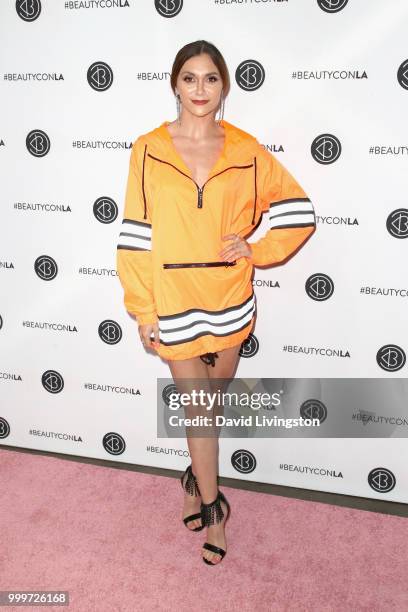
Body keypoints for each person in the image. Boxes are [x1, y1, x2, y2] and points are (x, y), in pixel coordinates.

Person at [116, 40, 316, 565]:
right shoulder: (148, 149)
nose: (199, 89)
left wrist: (257, 249)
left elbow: (298, 210)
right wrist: (143, 307)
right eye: (189, 78)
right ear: (174, 84)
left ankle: (191, 476)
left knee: (213, 401)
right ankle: (214, 507)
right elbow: (135, 234)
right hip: (173, 299)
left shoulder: (248, 150)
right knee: (200, 410)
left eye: (210, 79)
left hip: (229, 299)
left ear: (224, 85)